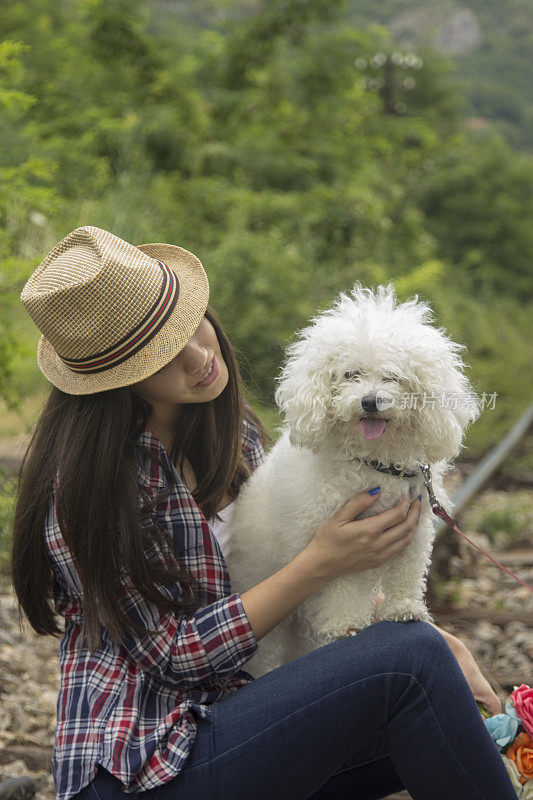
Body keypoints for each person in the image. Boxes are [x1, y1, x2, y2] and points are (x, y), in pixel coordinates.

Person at [11, 226, 517, 800]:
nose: (201, 355)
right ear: (116, 382)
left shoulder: (233, 434)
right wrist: (318, 563)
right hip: (146, 763)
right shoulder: (88, 492)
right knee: (412, 663)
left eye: (192, 326)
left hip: (241, 714)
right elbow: (176, 658)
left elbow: (317, 586)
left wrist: (433, 638)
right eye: (163, 356)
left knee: (439, 692)